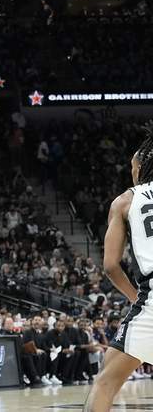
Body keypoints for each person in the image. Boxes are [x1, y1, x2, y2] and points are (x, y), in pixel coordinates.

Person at [85, 135, 153, 412]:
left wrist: (136, 298)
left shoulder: (126, 200)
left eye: (132, 167)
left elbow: (111, 266)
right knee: (109, 366)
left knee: (105, 383)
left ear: (141, 168)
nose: (131, 172)